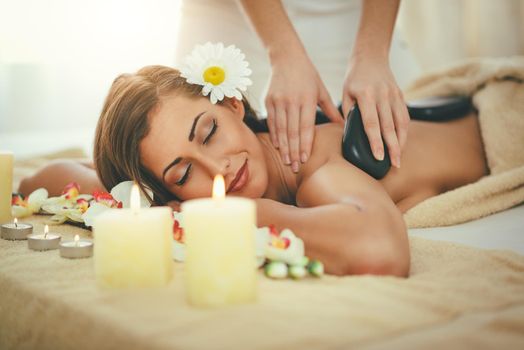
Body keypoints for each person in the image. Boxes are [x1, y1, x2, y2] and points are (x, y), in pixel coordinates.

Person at [19, 65, 487, 277]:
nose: (217, 165)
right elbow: (41, 179)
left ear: (232, 103)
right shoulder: (184, 182)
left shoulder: (313, 160)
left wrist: (256, 213)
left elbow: (380, 251)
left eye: (208, 133)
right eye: (183, 175)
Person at [174, 0, 420, 174]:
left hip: (345, 9)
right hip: (224, 11)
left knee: (393, 138)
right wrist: (283, 53)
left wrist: (374, 53)